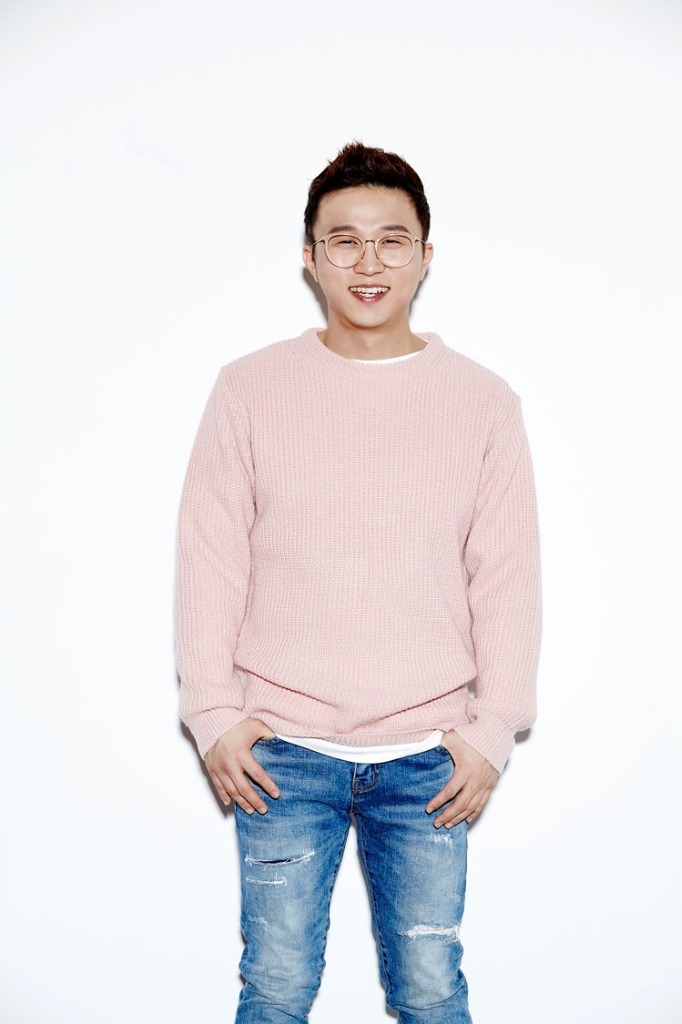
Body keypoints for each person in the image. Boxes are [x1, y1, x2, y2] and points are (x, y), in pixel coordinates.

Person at [174, 141, 542, 1024]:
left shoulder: (483, 401)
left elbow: (506, 574)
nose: (368, 262)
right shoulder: (249, 389)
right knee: (275, 988)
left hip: (430, 757)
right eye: (343, 240)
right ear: (311, 257)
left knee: (430, 991)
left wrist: (494, 727)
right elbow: (211, 556)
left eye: (391, 240)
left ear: (425, 255)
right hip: (281, 753)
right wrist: (212, 713)